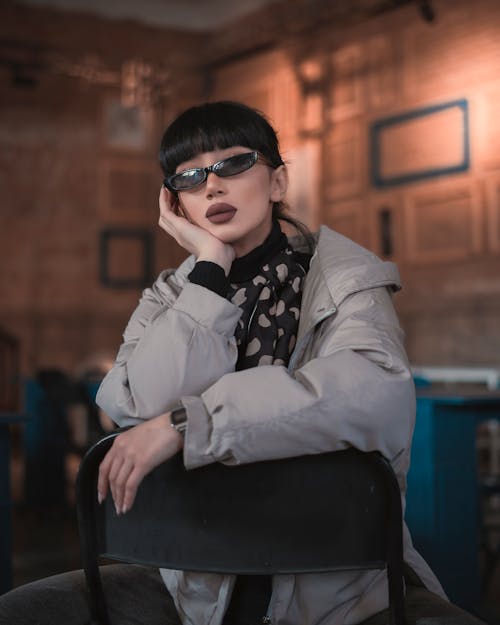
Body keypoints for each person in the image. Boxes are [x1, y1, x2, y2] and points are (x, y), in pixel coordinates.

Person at [0, 101, 447, 625]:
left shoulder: (344, 280)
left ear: (278, 182)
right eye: (188, 176)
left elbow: (369, 393)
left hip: (339, 585)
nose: (211, 186)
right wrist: (210, 270)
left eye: (232, 164)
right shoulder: (170, 297)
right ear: (175, 203)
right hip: (191, 579)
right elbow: (136, 402)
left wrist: (188, 424)